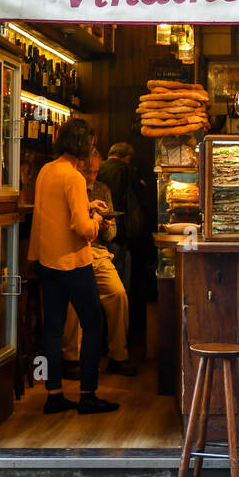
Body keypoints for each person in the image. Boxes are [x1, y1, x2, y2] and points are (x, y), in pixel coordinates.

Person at [27, 118, 119, 415]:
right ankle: (87, 395)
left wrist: (88, 207)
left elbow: (55, 213)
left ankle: (53, 395)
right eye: (90, 143)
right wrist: (97, 221)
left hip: (46, 261)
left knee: (52, 329)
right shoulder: (75, 177)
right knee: (93, 324)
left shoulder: (46, 171)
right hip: (74, 263)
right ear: (82, 144)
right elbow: (83, 229)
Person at [60, 149, 133, 377]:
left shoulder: (103, 189)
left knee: (118, 293)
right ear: (77, 167)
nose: (91, 176)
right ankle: (71, 359)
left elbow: (111, 234)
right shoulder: (68, 186)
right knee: (72, 300)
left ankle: (117, 356)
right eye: (87, 171)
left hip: (97, 252)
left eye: (95, 171)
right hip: (72, 251)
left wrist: (105, 226)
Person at [98, 141, 154, 373]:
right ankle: (119, 346)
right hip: (120, 237)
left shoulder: (96, 170)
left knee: (101, 294)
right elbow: (141, 201)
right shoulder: (128, 172)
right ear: (128, 157)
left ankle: (100, 343)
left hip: (97, 240)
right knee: (121, 292)